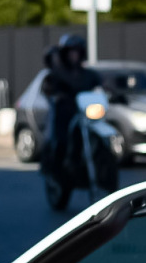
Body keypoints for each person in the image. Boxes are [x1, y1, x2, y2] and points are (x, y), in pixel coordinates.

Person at [40, 35, 102, 177]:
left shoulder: (88, 74)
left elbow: (102, 85)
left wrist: (115, 94)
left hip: (84, 114)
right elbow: (48, 87)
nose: (74, 55)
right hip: (64, 114)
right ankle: (57, 170)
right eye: (71, 52)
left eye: (77, 51)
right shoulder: (57, 73)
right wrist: (55, 95)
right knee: (60, 140)